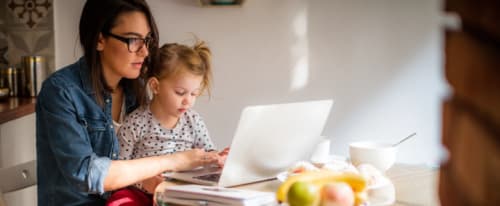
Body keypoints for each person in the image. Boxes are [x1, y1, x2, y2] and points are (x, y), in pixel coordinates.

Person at [36, 0, 220, 205]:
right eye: (133, 40)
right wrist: (173, 161)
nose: (145, 52)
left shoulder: (138, 89)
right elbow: (87, 174)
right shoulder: (61, 92)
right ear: (99, 39)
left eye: (147, 40)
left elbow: (140, 163)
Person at [107, 40, 230, 205]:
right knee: (119, 201)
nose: (188, 101)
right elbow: (119, 170)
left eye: (194, 94)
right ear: (155, 86)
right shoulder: (136, 123)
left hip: (180, 195)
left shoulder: (193, 121)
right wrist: (143, 182)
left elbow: (207, 154)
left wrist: (219, 158)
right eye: (180, 93)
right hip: (141, 195)